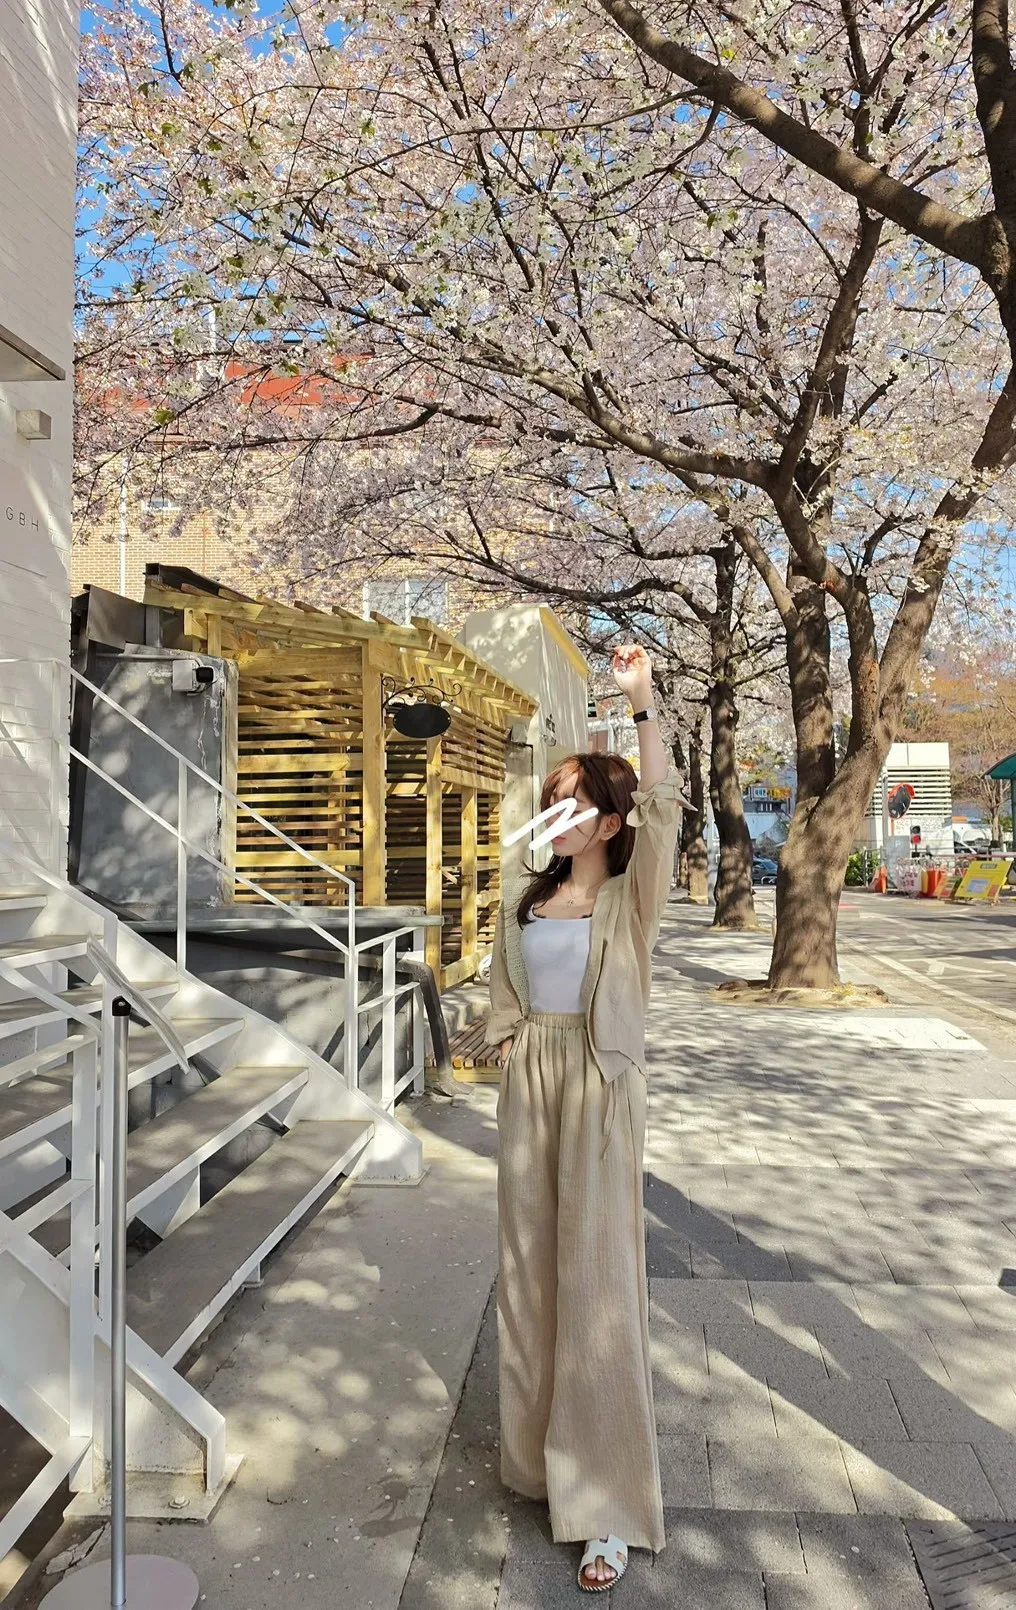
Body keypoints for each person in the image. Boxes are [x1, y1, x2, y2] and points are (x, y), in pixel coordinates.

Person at [485, 644, 683, 1592]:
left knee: (598, 1284)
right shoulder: (525, 899)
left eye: (572, 803)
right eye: (550, 800)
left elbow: (665, 805)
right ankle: (537, 1465)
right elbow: (505, 991)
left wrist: (640, 702)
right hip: (533, 1084)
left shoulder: (629, 902)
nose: (555, 815)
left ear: (608, 821)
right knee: (529, 1274)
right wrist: (506, 1033)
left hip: (602, 1086)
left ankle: (605, 1503)